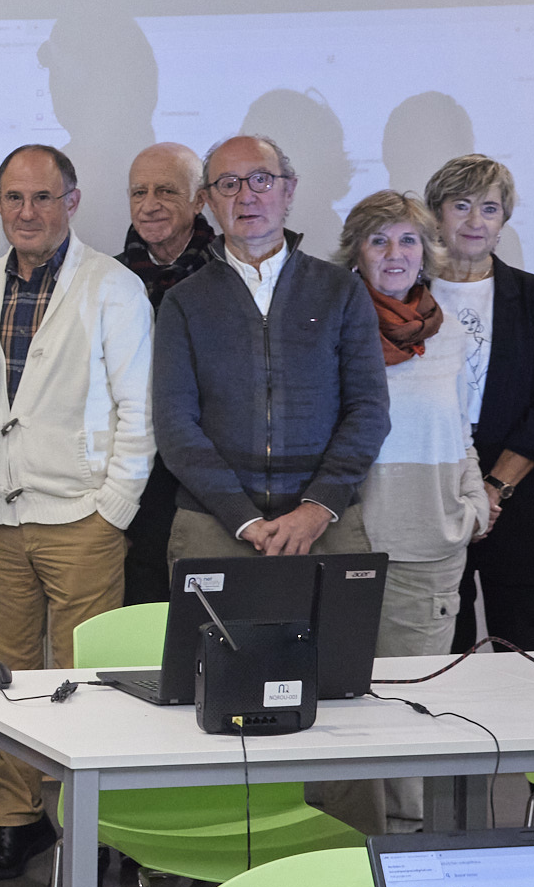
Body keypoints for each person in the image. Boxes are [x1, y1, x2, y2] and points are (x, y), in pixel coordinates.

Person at [0, 145, 150, 883]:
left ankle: (94, 825)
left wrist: (113, 508)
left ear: (71, 200)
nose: (26, 212)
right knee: (2, 676)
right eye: (12, 197)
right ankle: (14, 818)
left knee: (85, 676)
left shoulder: (113, 287)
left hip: (81, 515)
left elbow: (138, 406)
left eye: (41, 197)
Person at [153, 134, 389, 570]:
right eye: (228, 184)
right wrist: (244, 520)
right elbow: (174, 425)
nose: (246, 196)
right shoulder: (184, 301)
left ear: (289, 190)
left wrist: (316, 509)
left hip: (325, 524)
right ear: (207, 200)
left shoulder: (341, 291)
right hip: (214, 524)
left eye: (261, 180)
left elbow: (369, 410)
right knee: (213, 642)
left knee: (336, 641)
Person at [430, 154, 534, 653]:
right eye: (462, 205)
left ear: (504, 220)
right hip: (432, 492)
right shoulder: (400, 293)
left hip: (523, 498)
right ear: (436, 214)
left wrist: (491, 490)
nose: (475, 222)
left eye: (489, 209)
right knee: (441, 652)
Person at [339, 191, 490, 668]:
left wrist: (474, 505)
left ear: (426, 251)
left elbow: (459, 433)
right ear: (356, 253)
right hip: (344, 543)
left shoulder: (450, 334)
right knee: (336, 701)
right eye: (378, 240)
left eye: (408, 240)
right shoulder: (330, 328)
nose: (394, 253)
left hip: (427, 551)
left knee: (407, 707)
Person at [114, 141, 218, 609]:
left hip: (213, 484)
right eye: (139, 192)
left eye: (166, 191)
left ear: (199, 200)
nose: (149, 204)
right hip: (134, 485)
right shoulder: (108, 281)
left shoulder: (230, 277)